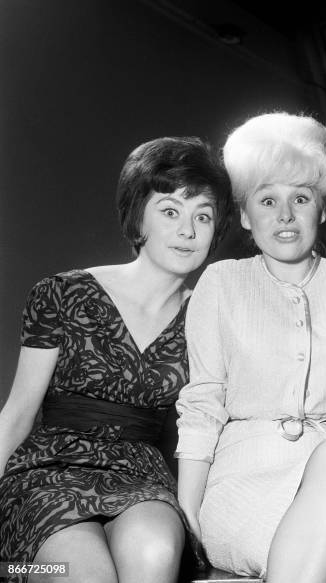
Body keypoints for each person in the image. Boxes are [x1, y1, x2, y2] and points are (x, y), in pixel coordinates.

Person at [175, 112, 326, 583]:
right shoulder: (220, 282)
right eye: (267, 200)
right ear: (243, 214)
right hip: (241, 484)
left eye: (300, 198)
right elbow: (202, 405)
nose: (284, 215)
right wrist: (187, 515)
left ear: (321, 209)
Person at [0, 136, 232, 583]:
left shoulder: (207, 317)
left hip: (140, 475)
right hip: (47, 473)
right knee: (79, 574)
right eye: (170, 211)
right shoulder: (62, 292)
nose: (188, 230)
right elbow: (18, 412)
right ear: (138, 217)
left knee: (156, 553)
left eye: (202, 216)